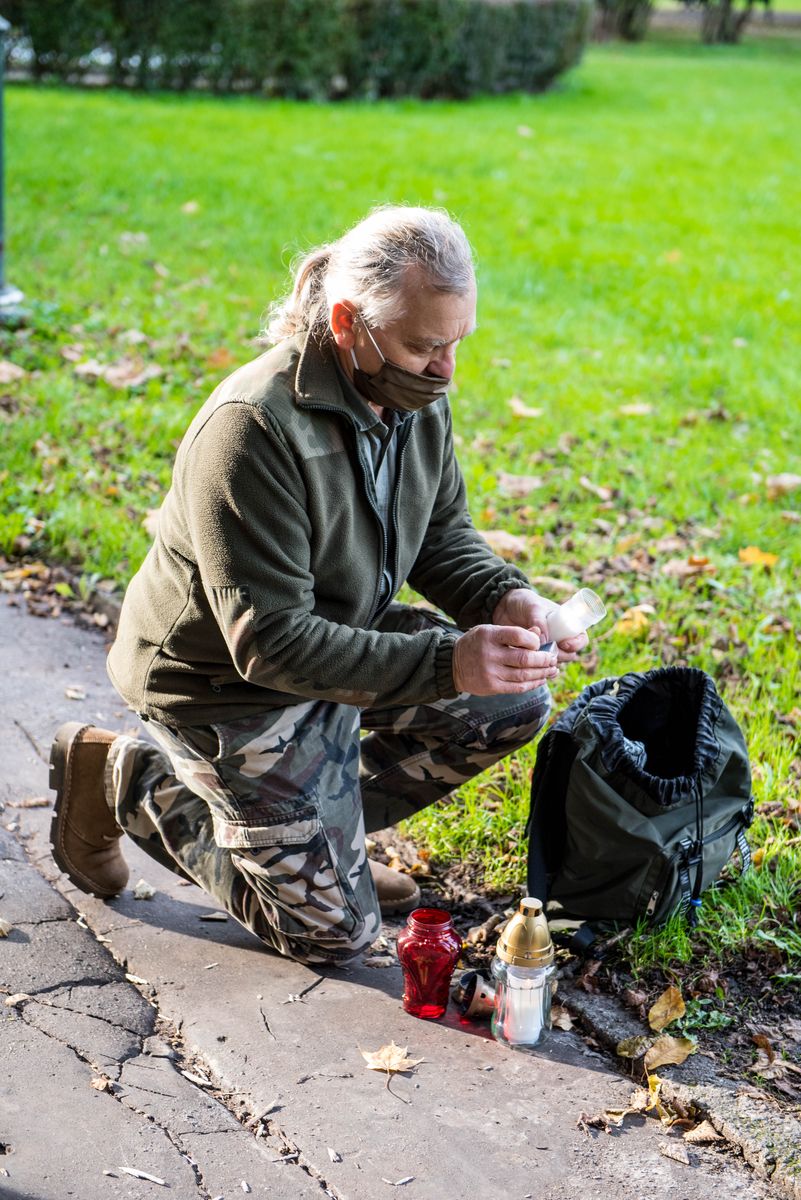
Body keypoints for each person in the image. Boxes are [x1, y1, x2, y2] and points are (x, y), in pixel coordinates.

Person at [49, 205, 587, 967]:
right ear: (347, 322)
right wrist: (445, 663)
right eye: (424, 345)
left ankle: (316, 843)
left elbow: (439, 533)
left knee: (510, 702)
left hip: (330, 649)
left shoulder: (409, 394)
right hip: (220, 686)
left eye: (455, 343)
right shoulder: (253, 428)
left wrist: (508, 599)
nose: (445, 369)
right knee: (332, 934)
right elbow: (267, 643)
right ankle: (128, 780)